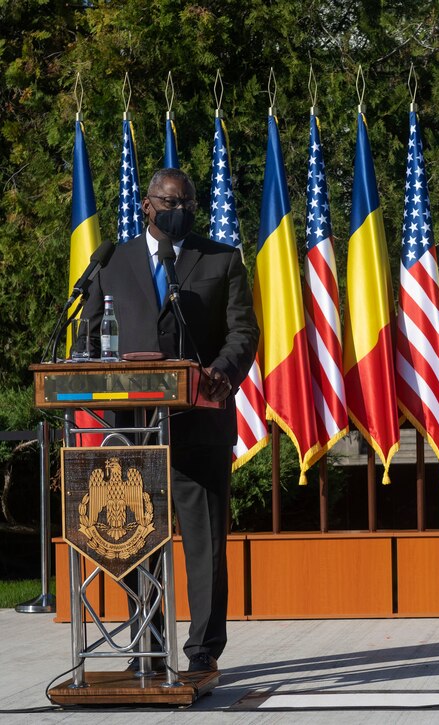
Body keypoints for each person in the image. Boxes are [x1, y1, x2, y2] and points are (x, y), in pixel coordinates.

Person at [80, 167, 259, 673]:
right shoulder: (112, 261)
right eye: (172, 202)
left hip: (199, 428)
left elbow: (243, 330)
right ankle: (150, 644)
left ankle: (203, 652)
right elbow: (91, 336)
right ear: (148, 205)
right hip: (132, 428)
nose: (181, 211)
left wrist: (223, 371)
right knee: (133, 541)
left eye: (189, 204)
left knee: (204, 545)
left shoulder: (221, 259)